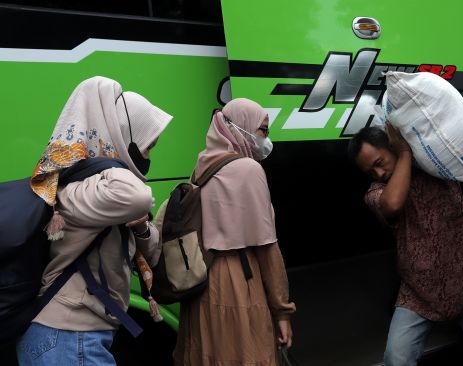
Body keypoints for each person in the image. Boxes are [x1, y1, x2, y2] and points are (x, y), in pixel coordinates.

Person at [16, 76, 172, 365]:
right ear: (121, 136)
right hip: (67, 337)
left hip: (78, 338)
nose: (148, 156)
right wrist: (115, 158)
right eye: (146, 145)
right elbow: (137, 197)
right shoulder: (78, 192)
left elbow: (151, 253)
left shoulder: (106, 194)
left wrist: (140, 227)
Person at [348, 125, 463, 366]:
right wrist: (404, 153)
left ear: (390, 147)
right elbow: (393, 204)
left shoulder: (438, 167)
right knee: (396, 359)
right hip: (419, 296)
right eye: (371, 171)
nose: (379, 173)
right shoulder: (377, 193)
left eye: (380, 162)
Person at [173, 98, 295, 366]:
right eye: (262, 130)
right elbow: (266, 247)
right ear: (242, 128)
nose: (265, 138)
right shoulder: (248, 169)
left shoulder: (202, 165)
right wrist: (282, 312)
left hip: (203, 282)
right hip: (239, 281)